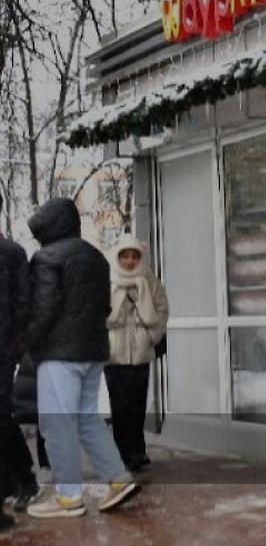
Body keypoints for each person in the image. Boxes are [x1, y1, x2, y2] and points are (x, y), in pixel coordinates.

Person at [22, 198, 140, 518]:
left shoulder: (47, 257)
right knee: (87, 418)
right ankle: (118, 478)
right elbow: (104, 306)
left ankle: (68, 496)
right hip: (93, 351)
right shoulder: (96, 256)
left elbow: (44, 308)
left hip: (60, 354)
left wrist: (25, 342)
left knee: (57, 422)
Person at [105, 233, 169, 472]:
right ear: (118, 257)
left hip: (141, 352)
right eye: (125, 256)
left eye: (134, 256)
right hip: (115, 354)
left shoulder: (149, 279)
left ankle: (137, 451)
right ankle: (124, 453)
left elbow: (162, 309)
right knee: (120, 406)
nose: (130, 261)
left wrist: (152, 336)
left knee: (137, 403)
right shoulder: (108, 279)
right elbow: (99, 312)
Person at [0, 196, 36, 530]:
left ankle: (20, 479)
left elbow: (24, 303)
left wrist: (14, 344)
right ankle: (18, 478)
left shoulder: (12, 253)